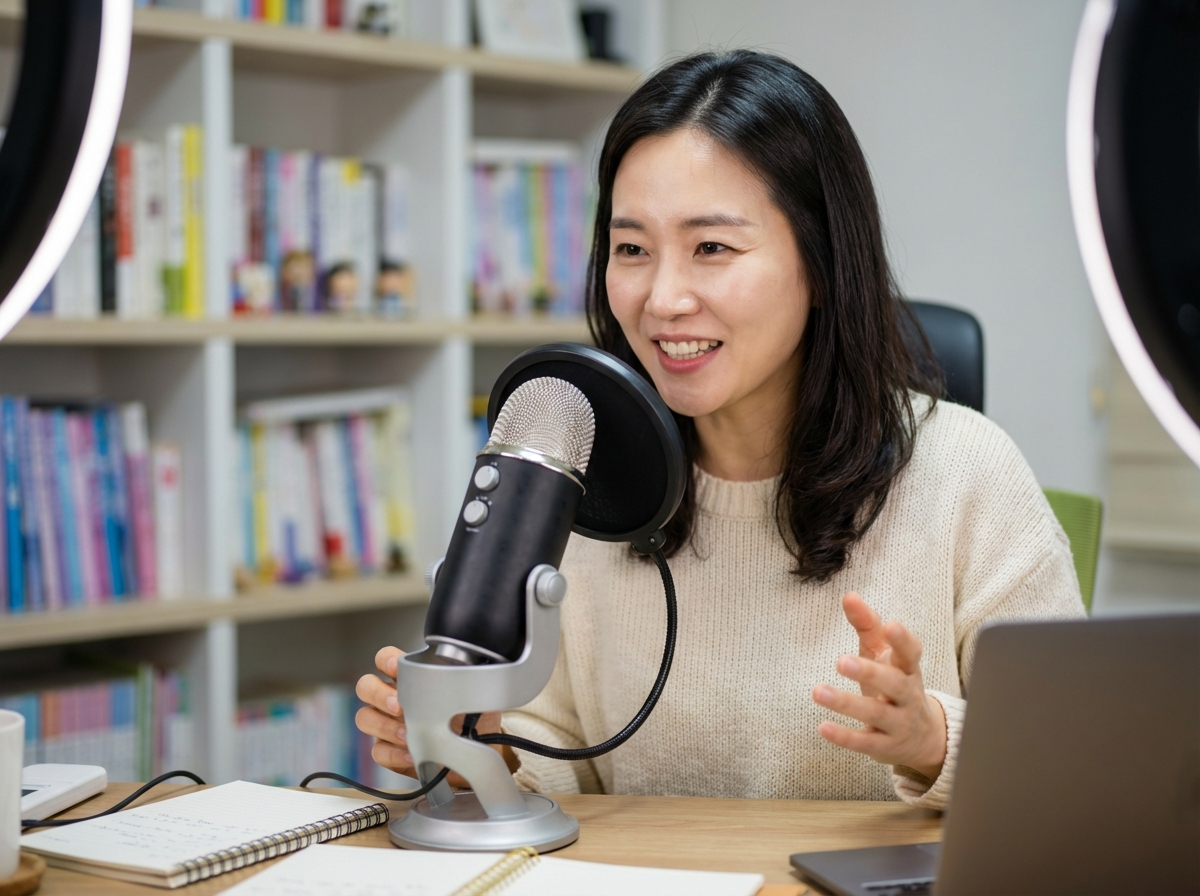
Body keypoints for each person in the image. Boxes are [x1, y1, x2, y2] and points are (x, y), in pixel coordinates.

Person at [355, 49, 1085, 809]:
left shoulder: (966, 472)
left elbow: (1079, 766)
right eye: (632, 249)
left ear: (824, 262)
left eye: (713, 248)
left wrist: (934, 741)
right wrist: (480, 756)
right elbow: (571, 765)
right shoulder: (585, 476)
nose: (664, 298)